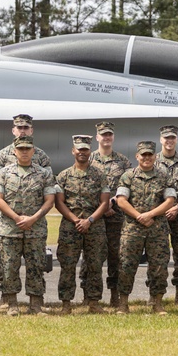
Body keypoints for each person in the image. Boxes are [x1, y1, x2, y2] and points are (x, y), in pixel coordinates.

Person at [0, 114, 54, 306]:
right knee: (9, 266)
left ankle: (36, 302)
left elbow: (49, 196)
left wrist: (33, 219)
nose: (24, 151)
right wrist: (17, 218)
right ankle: (9, 300)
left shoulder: (42, 163)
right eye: (19, 128)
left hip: (35, 226)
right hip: (9, 226)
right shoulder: (3, 162)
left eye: (26, 127)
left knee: (36, 265)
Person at [114, 141, 177, 314]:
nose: (147, 158)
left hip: (157, 229)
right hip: (132, 229)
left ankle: (157, 303)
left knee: (159, 266)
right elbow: (121, 200)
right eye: (143, 155)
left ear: (155, 157)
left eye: (150, 155)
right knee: (127, 265)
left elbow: (170, 200)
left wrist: (150, 215)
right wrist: (139, 216)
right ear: (137, 157)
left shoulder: (164, 176)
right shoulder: (128, 176)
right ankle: (123, 304)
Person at [55, 135, 111, 314]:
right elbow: (59, 202)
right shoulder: (63, 176)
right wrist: (76, 220)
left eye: (85, 149)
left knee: (95, 265)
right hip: (70, 227)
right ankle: (66, 303)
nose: (82, 152)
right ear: (73, 151)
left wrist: (90, 220)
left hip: (95, 226)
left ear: (90, 151)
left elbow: (104, 202)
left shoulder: (100, 175)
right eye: (79, 149)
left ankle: (93, 302)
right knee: (68, 265)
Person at [89, 121, 131, 307]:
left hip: (116, 215)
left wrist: (111, 203)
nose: (106, 138)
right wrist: (101, 207)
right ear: (97, 137)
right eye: (103, 134)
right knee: (92, 256)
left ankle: (115, 295)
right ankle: (89, 296)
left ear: (113, 137)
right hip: (94, 216)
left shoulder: (123, 162)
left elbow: (128, 186)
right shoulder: (88, 159)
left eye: (109, 134)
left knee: (116, 256)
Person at [156, 125, 178, 304]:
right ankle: (156, 295)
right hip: (159, 216)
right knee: (158, 256)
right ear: (161, 140)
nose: (169, 141)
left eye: (172, 138)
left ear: (176, 140)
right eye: (166, 138)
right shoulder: (152, 161)